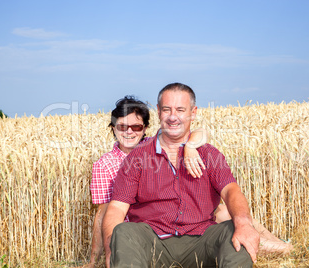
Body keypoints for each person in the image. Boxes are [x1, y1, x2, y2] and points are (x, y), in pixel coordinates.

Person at [102, 83, 260, 268]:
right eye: (167, 109)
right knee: (123, 231)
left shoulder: (209, 154)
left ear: (193, 113)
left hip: (202, 241)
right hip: (153, 243)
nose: (173, 117)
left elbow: (231, 190)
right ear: (159, 111)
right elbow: (117, 208)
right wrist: (111, 250)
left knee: (234, 228)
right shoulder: (137, 157)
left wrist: (243, 222)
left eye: (180, 110)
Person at [82, 96, 207, 268]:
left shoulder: (158, 145)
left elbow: (199, 132)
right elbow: (103, 213)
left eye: (136, 127)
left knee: (219, 209)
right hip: (133, 240)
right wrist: (94, 260)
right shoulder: (104, 166)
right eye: (122, 127)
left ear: (145, 128)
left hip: (165, 229)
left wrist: (190, 146)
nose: (129, 132)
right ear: (113, 128)